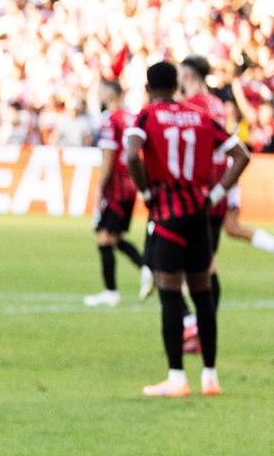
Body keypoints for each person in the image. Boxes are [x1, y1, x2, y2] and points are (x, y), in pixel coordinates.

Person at [125, 61, 250, 398]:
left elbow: (133, 155)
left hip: (167, 213)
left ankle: (177, 378)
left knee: (169, 296)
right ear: (177, 84)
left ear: (149, 88)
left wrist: (146, 192)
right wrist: (216, 194)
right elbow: (241, 154)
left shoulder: (147, 117)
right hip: (198, 212)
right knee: (203, 294)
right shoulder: (200, 116)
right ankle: (210, 377)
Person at [179, 55, 274, 278]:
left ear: (186, 75)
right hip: (226, 171)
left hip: (209, 177)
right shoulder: (217, 104)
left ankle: (189, 308)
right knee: (228, 229)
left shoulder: (193, 106)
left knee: (195, 248)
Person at [83, 82, 153, 306]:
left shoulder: (111, 121)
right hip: (129, 186)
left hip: (116, 188)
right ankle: (146, 269)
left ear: (108, 94)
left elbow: (108, 159)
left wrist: (98, 190)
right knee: (114, 238)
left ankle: (114, 290)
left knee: (104, 238)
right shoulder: (130, 117)